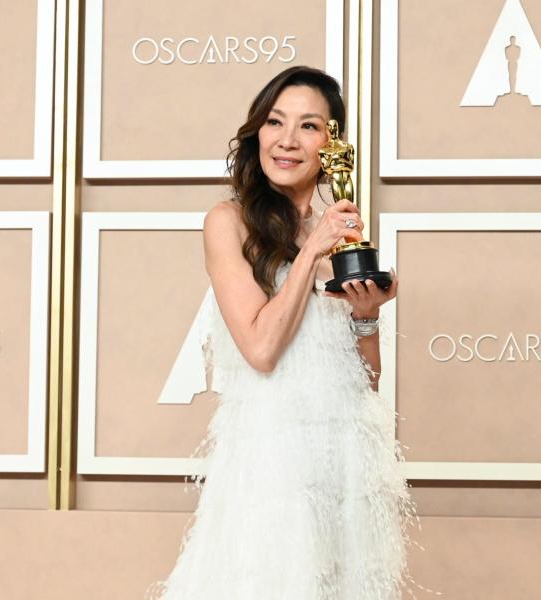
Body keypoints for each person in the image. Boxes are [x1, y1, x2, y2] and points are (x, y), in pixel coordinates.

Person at [151, 66, 416, 600]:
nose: (287, 140)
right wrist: (312, 254)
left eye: (309, 126)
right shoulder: (229, 222)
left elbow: (363, 383)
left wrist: (367, 316)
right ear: (258, 132)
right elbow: (262, 349)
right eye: (275, 121)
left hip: (341, 464)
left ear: (332, 144)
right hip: (270, 463)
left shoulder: (337, 232)